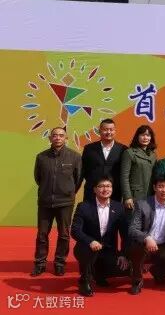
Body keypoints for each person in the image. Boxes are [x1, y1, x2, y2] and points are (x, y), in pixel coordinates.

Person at [32, 126, 82, 277]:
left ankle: (60, 263)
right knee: (42, 234)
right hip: (45, 202)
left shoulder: (74, 157)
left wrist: (67, 191)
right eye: (55, 135)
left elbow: (78, 179)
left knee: (64, 234)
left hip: (65, 203)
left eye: (61, 135)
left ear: (66, 138)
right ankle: (40, 264)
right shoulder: (41, 157)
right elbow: (38, 178)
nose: (58, 138)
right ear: (50, 138)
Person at [71, 175, 129, 296]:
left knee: (127, 268)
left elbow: (125, 234)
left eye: (108, 186)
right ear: (94, 189)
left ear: (112, 188)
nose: (105, 189)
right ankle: (85, 280)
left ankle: (99, 274)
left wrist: (123, 254)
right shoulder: (84, 206)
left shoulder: (119, 207)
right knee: (88, 251)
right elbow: (75, 230)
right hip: (87, 248)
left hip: (108, 250)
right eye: (101, 186)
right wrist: (90, 241)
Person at [127, 173, 165, 295]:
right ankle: (137, 280)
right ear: (154, 187)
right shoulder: (142, 204)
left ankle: (158, 272)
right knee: (136, 249)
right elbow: (132, 229)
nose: (164, 190)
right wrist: (146, 238)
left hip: (164, 245)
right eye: (160, 186)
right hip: (144, 245)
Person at [80, 118, 127, 202]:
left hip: (114, 194)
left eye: (111, 130)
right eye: (105, 129)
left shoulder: (123, 149)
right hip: (92, 193)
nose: (108, 132)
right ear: (99, 131)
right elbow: (83, 171)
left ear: (115, 131)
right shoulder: (89, 149)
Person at [121, 125, 157, 213]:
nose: (145, 138)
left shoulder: (153, 155)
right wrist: (127, 197)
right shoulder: (129, 153)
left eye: (148, 135)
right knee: (133, 220)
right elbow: (124, 177)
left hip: (150, 196)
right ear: (137, 136)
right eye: (142, 135)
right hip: (134, 197)